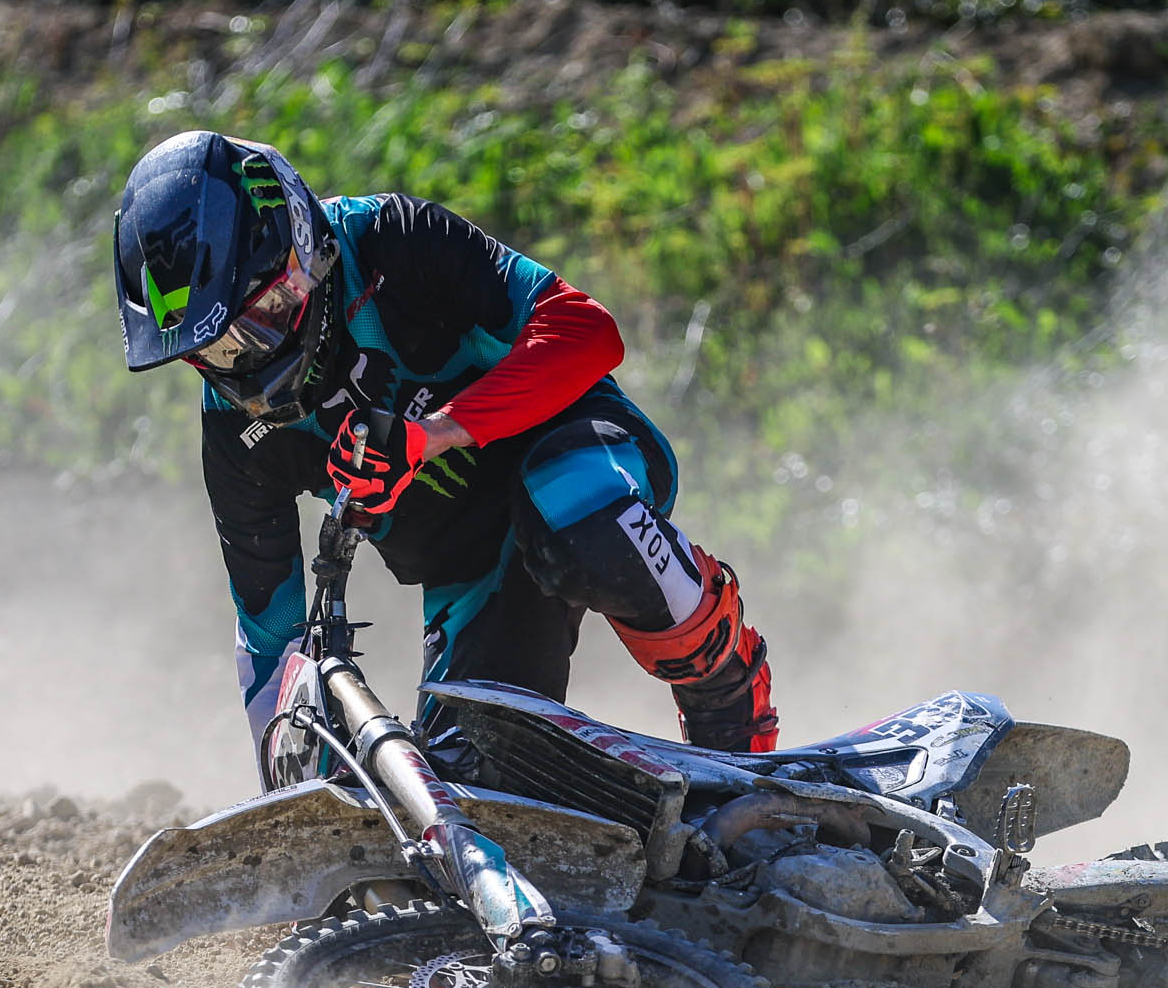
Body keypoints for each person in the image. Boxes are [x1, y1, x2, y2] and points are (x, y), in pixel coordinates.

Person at [110, 129, 779, 769]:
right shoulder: (235, 435)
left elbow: (586, 330)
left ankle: (725, 684)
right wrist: (304, 802)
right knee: (476, 779)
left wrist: (431, 435)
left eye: (262, 316)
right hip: (477, 573)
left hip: (586, 457)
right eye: (215, 351)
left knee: (571, 512)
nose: (246, 361)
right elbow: (269, 641)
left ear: (302, 249)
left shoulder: (390, 237)